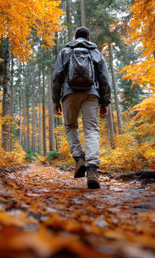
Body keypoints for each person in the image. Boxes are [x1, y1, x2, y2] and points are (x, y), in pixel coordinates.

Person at [52, 27, 111, 189]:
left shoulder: (65, 51)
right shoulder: (95, 52)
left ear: (75, 37)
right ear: (88, 39)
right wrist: (105, 102)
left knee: (71, 126)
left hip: (69, 94)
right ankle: (92, 170)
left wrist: (55, 99)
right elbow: (104, 78)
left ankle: (79, 159)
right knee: (91, 130)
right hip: (91, 95)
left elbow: (57, 76)